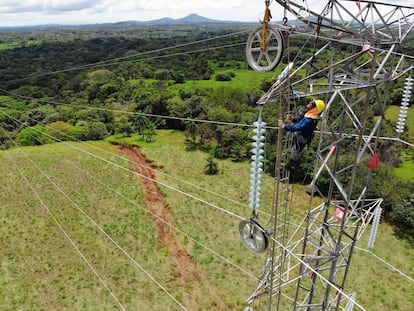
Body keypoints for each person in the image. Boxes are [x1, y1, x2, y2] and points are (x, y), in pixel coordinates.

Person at [278, 99, 326, 170]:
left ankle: (288, 166)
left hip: (302, 137)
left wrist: (284, 126)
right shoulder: (311, 116)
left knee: (296, 151)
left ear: (315, 108)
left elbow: (298, 127)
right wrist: (293, 119)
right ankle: (288, 158)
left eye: (312, 104)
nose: (309, 104)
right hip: (302, 136)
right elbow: (301, 119)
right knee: (295, 149)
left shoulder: (309, 120)